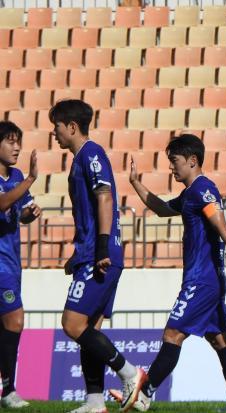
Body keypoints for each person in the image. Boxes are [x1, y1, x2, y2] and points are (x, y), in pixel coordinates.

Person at [119, 134, 226, 412]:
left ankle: (144, 394)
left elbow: (220, 224)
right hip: (210, 280)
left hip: (201, 280)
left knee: (173, 334)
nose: (171, 167)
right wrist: (136, 183)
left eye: (174, 161)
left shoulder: (203, 189)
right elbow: (162, 209)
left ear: (192, 160)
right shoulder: (190, 193)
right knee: (221, 341)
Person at [49, 100, 144, 413]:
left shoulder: (91, 154)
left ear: (72, 127)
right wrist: (78, 254)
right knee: (89, 329)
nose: (54, 133)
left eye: (57, 127)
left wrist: (100, 247)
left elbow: (105, 196)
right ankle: (94, 401)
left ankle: (130, 373)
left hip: (99, 254)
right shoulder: (81, 158)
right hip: (91, 252)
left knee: (72, 324)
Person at [0, 121, 41, 409]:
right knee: (15, 320)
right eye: (10, 141)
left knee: (5, 325)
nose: (17, 148)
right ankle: (9, 390)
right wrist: (31, 179)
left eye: (19, 142)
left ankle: (6, 388)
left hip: (13, 261)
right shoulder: (21, 178)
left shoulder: (15, 175)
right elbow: (2, 203)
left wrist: (29, 213)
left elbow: (17, 210)